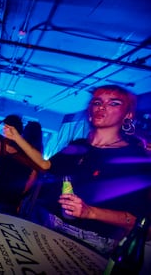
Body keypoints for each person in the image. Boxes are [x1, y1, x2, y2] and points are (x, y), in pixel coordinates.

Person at [26, 85, 151, 258]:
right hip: (44, 221)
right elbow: (46, 167)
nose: (101, 107)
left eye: (114, 103)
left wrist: (89, 211)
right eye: (97, 102)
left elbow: (136, 220)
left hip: (86, 240)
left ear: (128, 115)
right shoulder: (78, 144)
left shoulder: (134, 158)